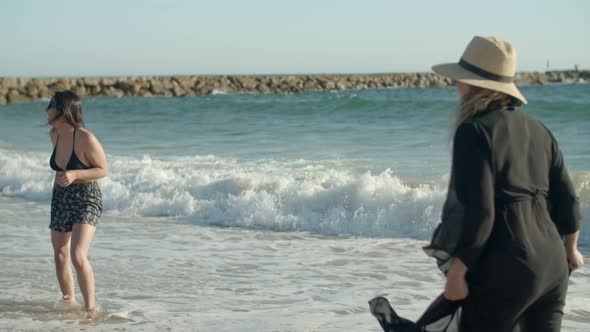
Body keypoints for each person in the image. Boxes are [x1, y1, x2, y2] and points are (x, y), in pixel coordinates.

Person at [426, 36, 584, 331]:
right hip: (552, 266)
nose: (457, 86)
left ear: (474, 85)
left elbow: (481, 213)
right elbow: (569, 200)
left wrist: (458, 271)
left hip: (507, 266)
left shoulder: (474, 132)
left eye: (460, 80)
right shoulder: (539, 130)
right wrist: (571, 249)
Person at [46, 90, 108, 319]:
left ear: (64, 110)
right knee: (60, 253)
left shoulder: (85, 138)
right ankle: (69, 303)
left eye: (51, 105)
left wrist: (73, 174)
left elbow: (103, 169)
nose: (46, 109)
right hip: (61, 197)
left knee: (78, 254)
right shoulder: (55, 135)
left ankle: (90, 311)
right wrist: (58, 192)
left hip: (86, 197)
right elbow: (58, 170)